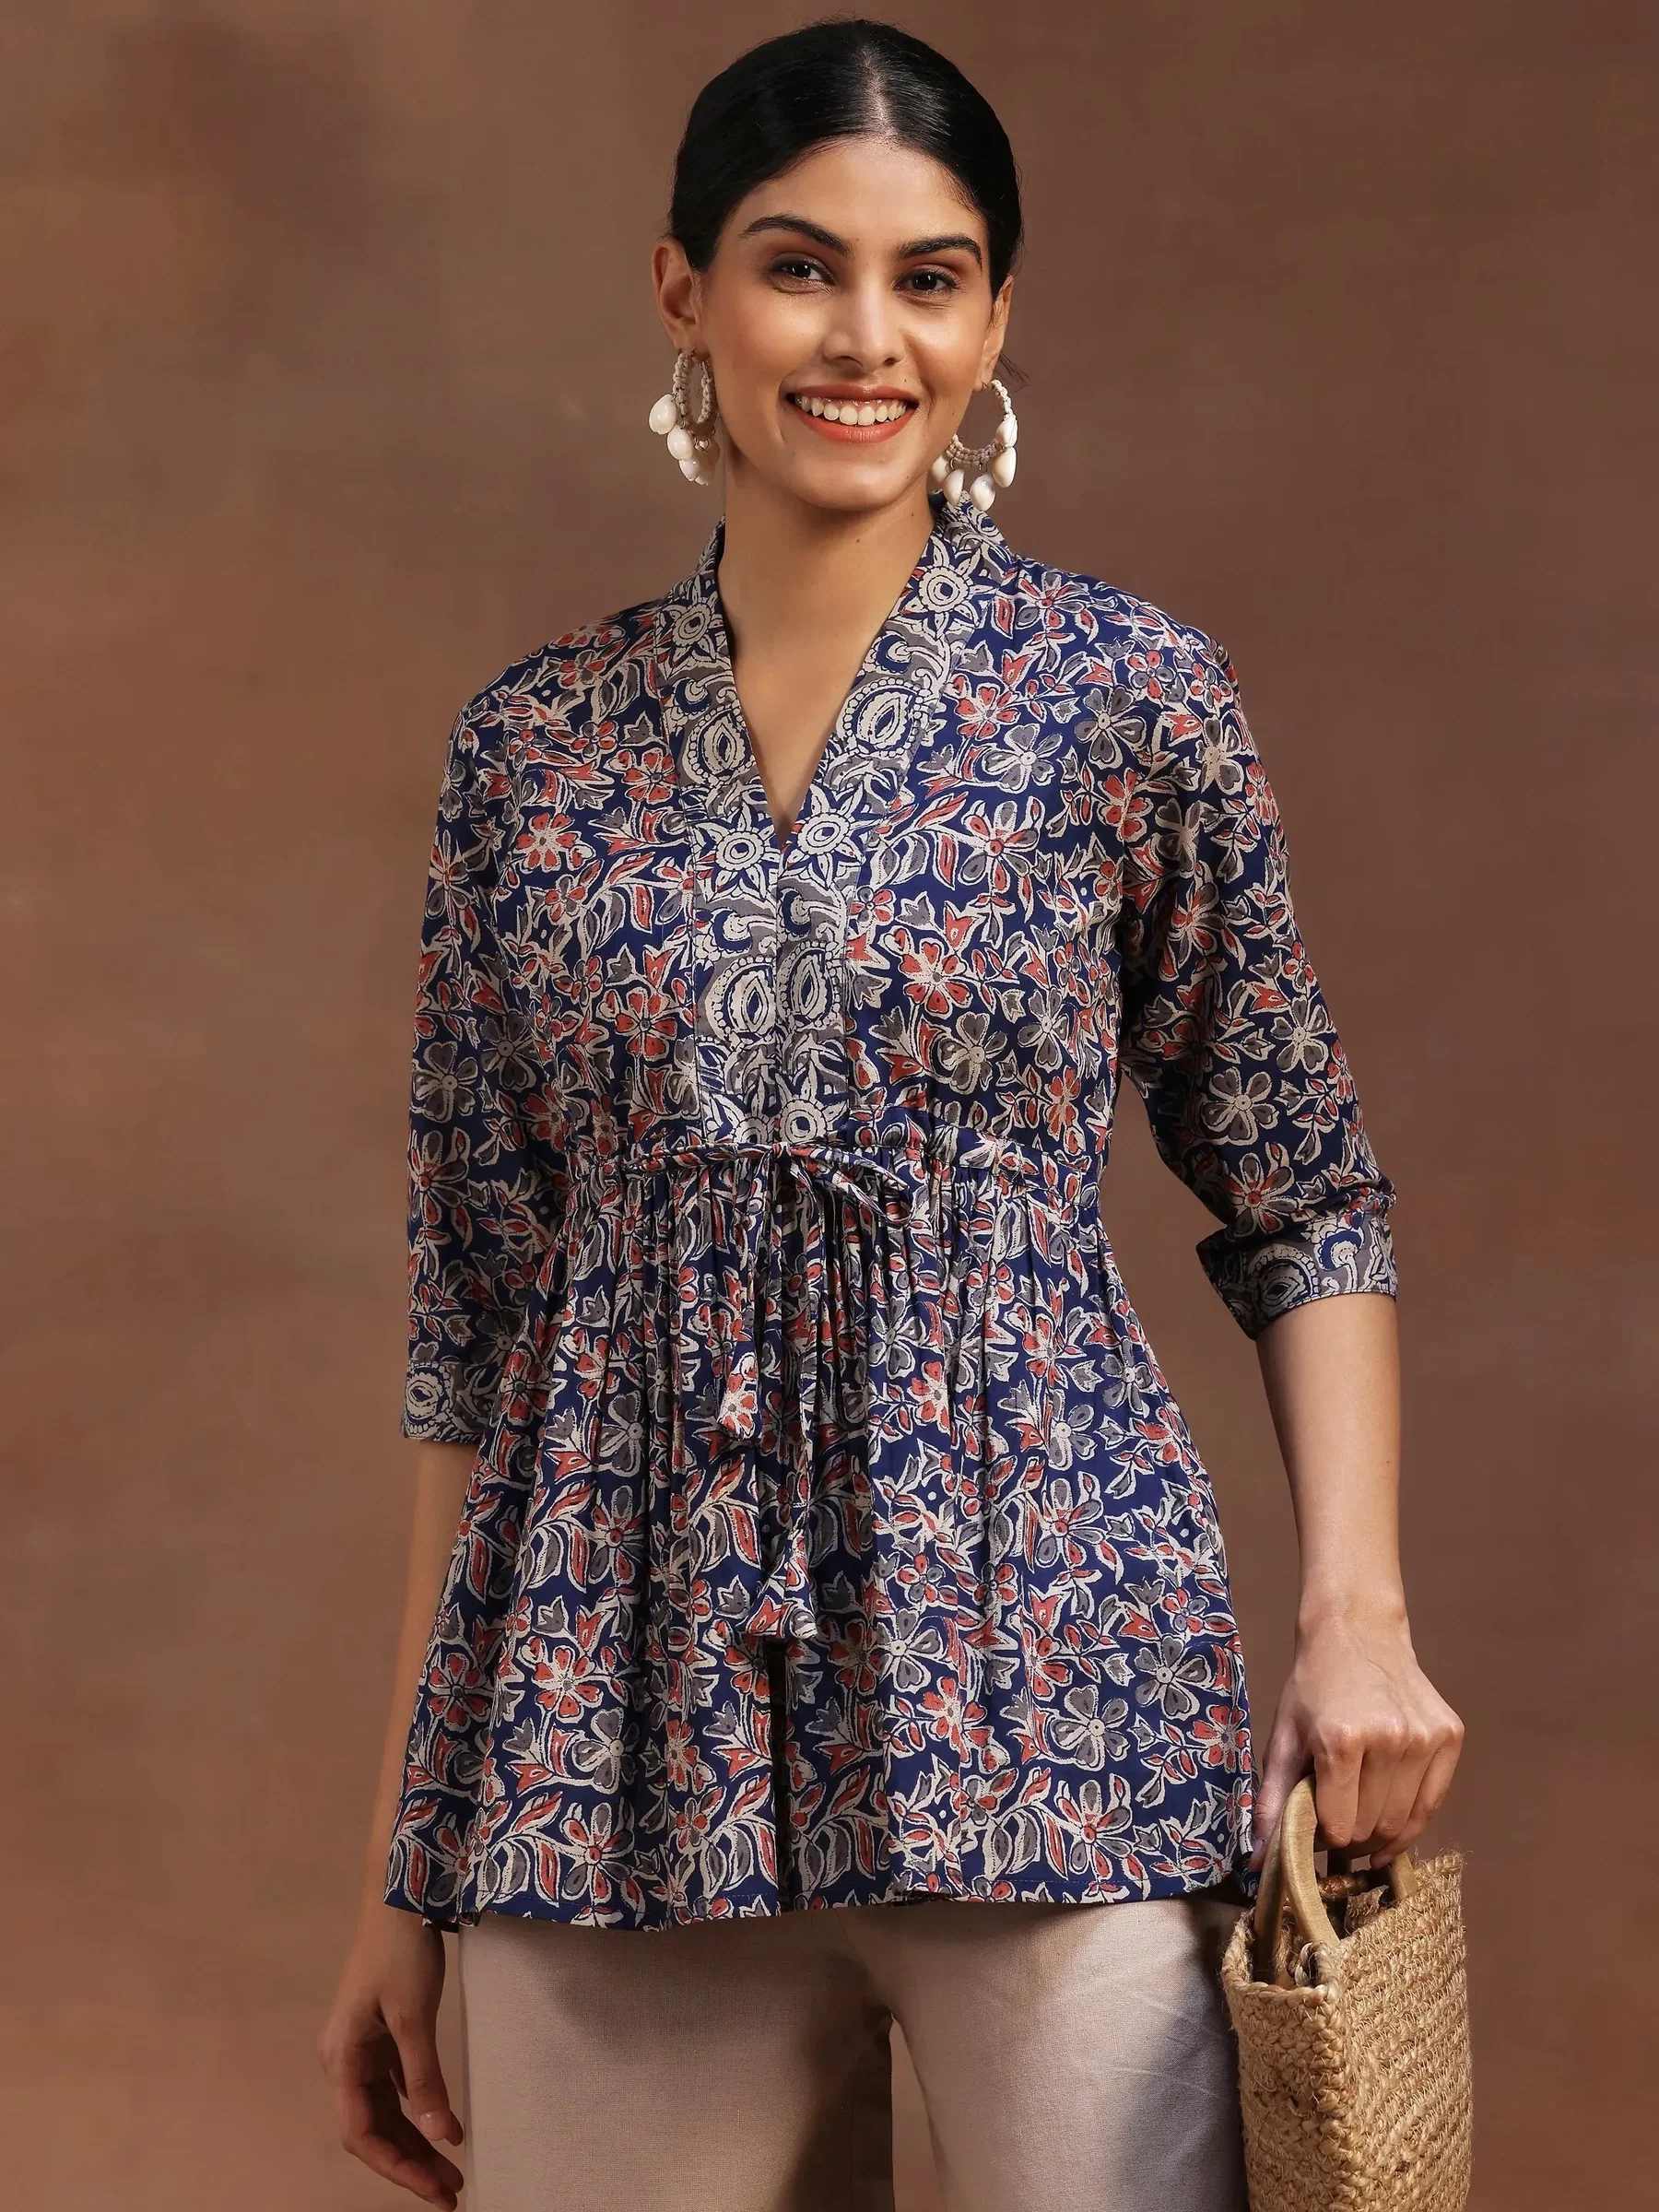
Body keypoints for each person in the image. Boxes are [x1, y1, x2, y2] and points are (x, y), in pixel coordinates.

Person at [319, 21, 1464, 2212]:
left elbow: (1306, 1195)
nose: (866, 339)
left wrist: (1359, 1620)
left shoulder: (1125, 700)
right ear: (684, 292)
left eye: (930, 279)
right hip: (605, 1768)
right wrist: (407, 1856)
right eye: (799, 267)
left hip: (1057, 1711)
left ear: (995, 319)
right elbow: (472, 1332)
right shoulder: (530, 754)